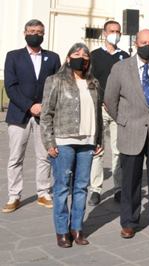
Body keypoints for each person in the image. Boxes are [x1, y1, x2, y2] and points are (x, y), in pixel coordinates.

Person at [103, 29, 149, 239]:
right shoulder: (120, 68)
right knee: (130, 182)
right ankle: (129, 222)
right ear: (136, 43)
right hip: (131, 131)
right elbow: (110, 100)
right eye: (144, 42)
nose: (148, 45)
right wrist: (124, 120)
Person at [40, 43, 102, 248]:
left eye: (85, 55)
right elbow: (46, 114)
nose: (81, 58)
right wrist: (49, 142)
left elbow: (98, 114)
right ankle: (61, 231)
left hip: (87, 142)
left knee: (82, 187)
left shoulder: (93, 83)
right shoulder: (55, 80)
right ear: (68, 58)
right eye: (77, 54)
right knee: (61, 187)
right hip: (63, 141)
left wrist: (99, 139)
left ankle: (77, 228)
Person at [3, 19, 60, 213]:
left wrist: (45, 107)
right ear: (25, 32)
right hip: (19, 114)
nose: (35, 34)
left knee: (44, 156)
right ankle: (14, 195)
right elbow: (10, 86)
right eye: (32, 30)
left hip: (44, 115)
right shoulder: (13, 56)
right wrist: (30, 106)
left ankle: (43, 192)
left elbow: (56, 85)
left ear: (44, 34)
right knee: (15, 157)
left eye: (39, 31)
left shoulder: (52, 58)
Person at [87, 20, 129, 206]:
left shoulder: (125, 56)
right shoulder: (94, 56)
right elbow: (89, 82)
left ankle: (119, 188)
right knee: (97, 150)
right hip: (99, 109)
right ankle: (96, 189)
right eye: (112, 31)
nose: (115, 34)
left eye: (118, 31)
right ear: (105, 33)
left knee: (119, 151)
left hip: (119, 110)